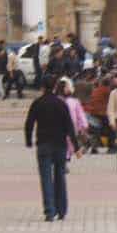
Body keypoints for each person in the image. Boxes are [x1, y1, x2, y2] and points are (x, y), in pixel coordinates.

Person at [24, 80, 73, 221]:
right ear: (55, 87)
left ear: (42, 87)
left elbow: (29, 123)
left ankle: (49, 211)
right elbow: (69, 125)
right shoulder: (61, 104)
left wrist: (28, 141)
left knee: (46, 178)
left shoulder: (38, 103)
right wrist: (75, 145)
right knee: (60, 176)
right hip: (60, 144)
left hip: (44, 144)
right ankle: (62, 210)